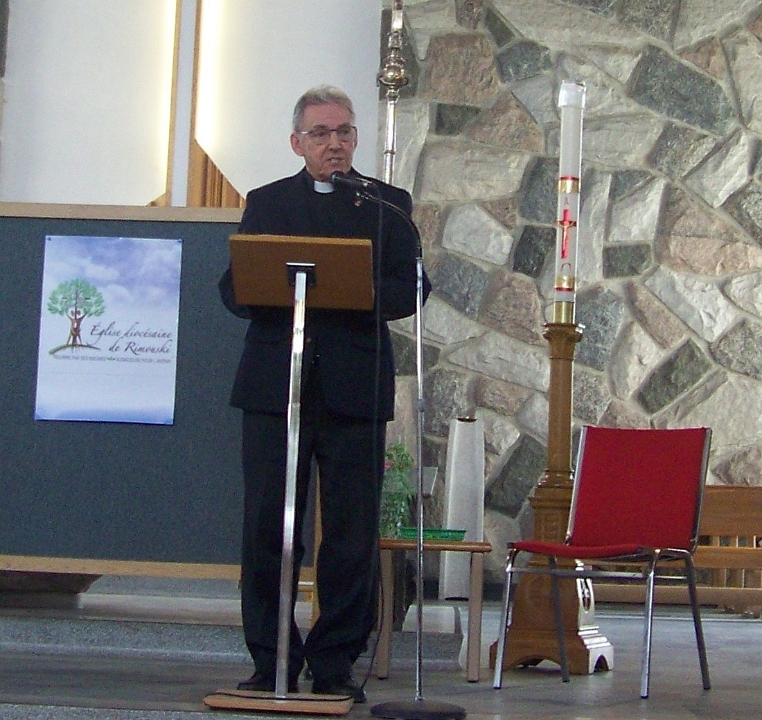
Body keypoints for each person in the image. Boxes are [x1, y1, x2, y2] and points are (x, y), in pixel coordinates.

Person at [219, 85, 430, 703]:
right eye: (320, 134)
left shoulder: (386, 204)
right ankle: (271, 660)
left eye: (343, 132)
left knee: (350, 531)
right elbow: (234, 288)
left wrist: (355, 289)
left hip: (354, 387)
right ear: (297, 143)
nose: (333, 143)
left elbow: (413, 287)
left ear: (356, 138)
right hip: (274, 387)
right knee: (268, 527)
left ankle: (335, 662)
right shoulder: (267, 202)